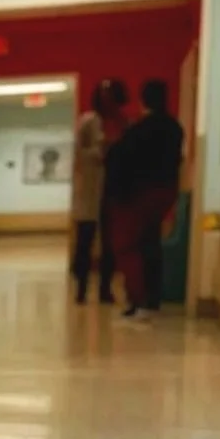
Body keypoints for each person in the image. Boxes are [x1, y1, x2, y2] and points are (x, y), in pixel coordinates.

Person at [105, 78, 184, 319]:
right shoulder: (175, 128)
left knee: (129, 247)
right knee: (152, 243)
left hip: (137, 196)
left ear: (143, 100)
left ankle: (137, 301)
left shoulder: (138, 131)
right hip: (166, 192)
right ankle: (154, 298)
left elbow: (119, 161)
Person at [70, 78, 127, 305]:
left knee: (110, 245)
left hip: (113, 191)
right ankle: (81, 289)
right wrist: (101, 150)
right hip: (91, 189)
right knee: (85, 242)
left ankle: (105, 290)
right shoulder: (87, 122)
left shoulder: (122, 123)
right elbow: (80, 151)